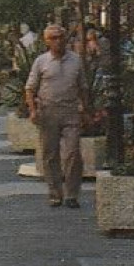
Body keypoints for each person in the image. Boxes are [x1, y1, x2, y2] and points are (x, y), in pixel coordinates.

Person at [25, 24, 87, 209]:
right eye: (53, 38)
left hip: (70, 111)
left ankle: (72, 194)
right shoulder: (41, 62)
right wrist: (33, 110)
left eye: (61, 37)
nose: (58, 41)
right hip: (48, 111)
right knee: (50, 154)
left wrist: (86, 108)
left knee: (73, 153)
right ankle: (55, 193)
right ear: (46, 41)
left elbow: (83, 86)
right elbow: (30, 88)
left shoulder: (76, 60)